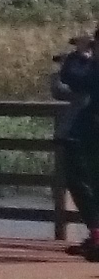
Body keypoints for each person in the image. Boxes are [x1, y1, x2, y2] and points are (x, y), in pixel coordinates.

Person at [58, 26, 99, 259]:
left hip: (89, 136)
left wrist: (78, 54)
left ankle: (96, 236)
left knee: (83, 184)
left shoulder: (93, 68)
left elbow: (73, 77)